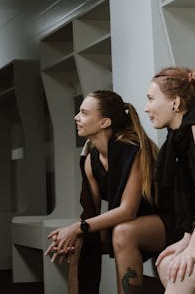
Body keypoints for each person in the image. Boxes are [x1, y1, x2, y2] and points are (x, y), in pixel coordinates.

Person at [45, 90, 159, 294]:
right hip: (129, 223)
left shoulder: (132, 151)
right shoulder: (91, 159)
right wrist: (70, 237)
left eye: (84, 113)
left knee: (122, 231)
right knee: (80, 239)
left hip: (166, 222)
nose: (76, 117)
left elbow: (127, 211)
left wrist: (76, 228)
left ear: (104, 122)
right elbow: (91, 213)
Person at [143, 67, 195, 293]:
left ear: (175, 102)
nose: (146, 107)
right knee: (168, 266)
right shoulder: (181, 135)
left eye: (150, 99)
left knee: (179, 278)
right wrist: (188, 239)